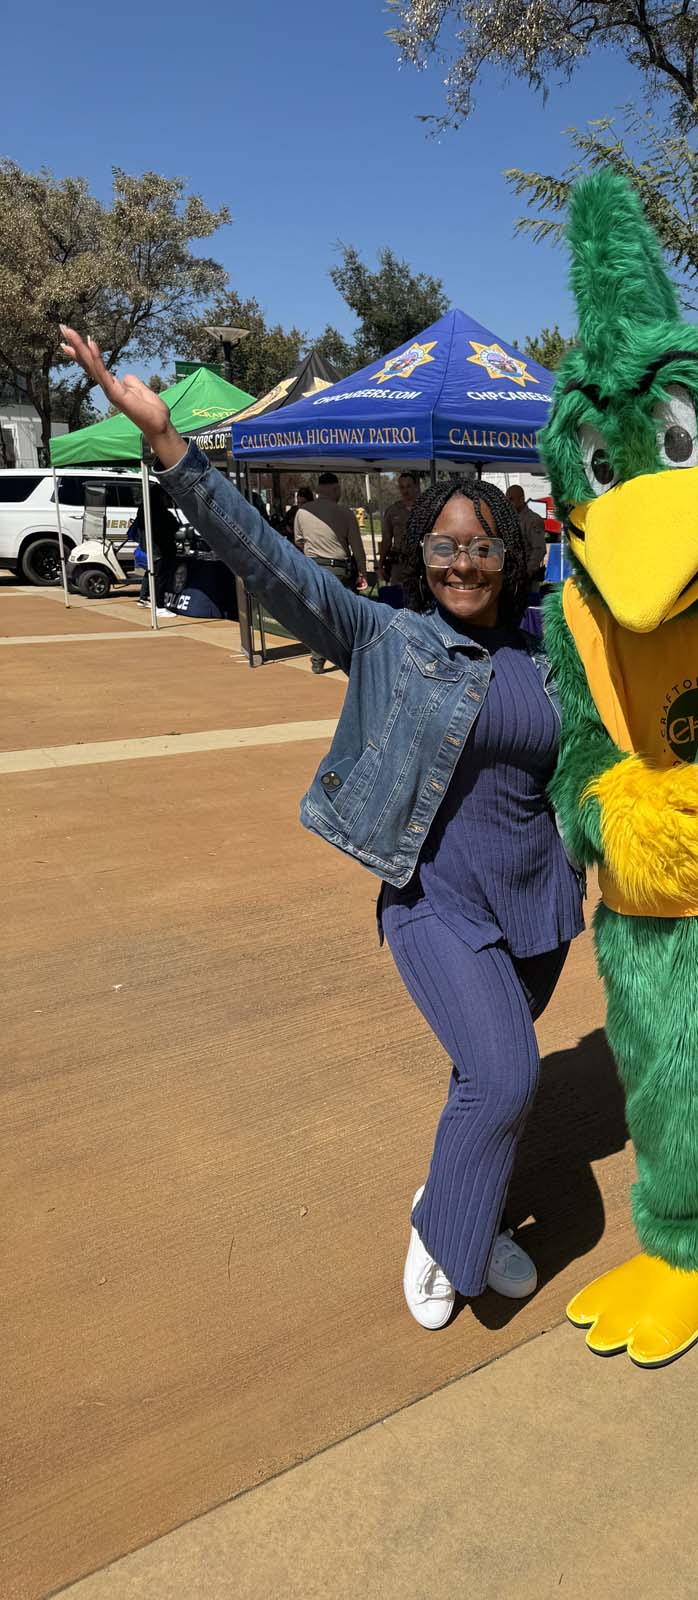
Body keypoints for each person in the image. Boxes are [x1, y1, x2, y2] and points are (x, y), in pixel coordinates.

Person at [60, 324, 585, 1335]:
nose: (462, 562)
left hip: (542, 901)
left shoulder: (550, 653)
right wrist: (174, 450)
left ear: (509, 555)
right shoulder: (385, 637)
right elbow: (270, 562)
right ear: (422, 553)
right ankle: (452, 1240)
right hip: (438, 902)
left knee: (485, 1077)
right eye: (444, 546)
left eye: (482, 546)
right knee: (508, 1072)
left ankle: (454, 1198)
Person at [294, 472, 370, 673]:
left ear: (318, 490)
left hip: (312, 567)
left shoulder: (303, 512)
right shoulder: (345, 513)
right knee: (344, 613)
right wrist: (362, 572)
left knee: (318, 614)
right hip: (339, 569)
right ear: (336, 489)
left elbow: (299, 541)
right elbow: (357, 547)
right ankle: (348, 654)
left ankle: (317, 658)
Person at [132, 481, 179, 609]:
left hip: (150, 547)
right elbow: (171, 526)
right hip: (158, 549)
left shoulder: (146, 507)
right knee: (159, 576)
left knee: (151, 572)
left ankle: (144, 598)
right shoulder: (158, 511)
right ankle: (159, 605)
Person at [377, 472, 420, 584]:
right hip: (399, 565)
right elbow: (386, 539)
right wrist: (380, 564)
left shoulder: (425, 509)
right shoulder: (393, 511)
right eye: (402, 487)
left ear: (416, 487)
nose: (405, 491)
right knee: (398, 595)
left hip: (419, 563)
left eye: (409, 486)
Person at [505, 484, 547, 582]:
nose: (508, 503)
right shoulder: (509, 519)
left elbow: (539, 549)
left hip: (528, 576)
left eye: (511, 499)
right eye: (507, 499)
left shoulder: (533, 520)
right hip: (513, 573)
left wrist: (528, 571)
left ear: (521, 499)